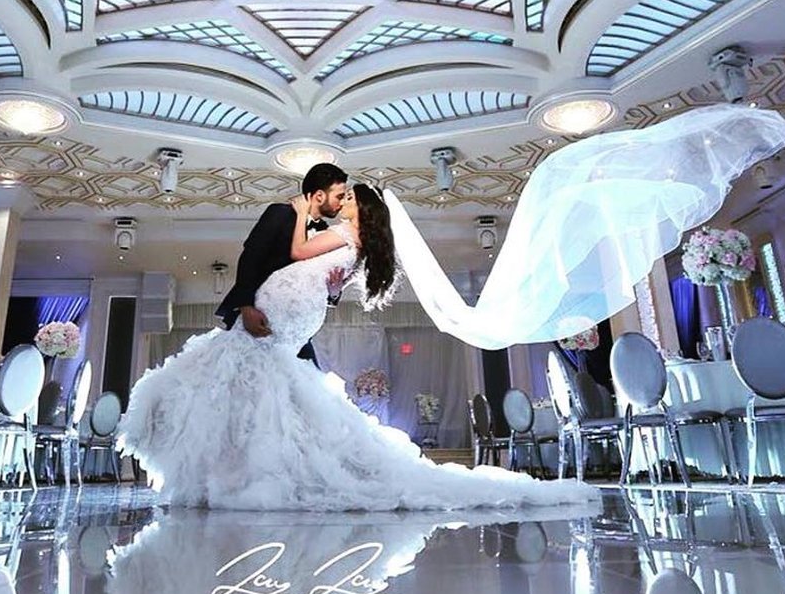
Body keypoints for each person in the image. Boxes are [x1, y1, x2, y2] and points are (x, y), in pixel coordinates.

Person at [118, 183, 596, 510]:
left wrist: (302, 210)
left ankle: (235, 472)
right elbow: (317, 272)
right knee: (260, 388)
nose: (338, 201)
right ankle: (239, 472)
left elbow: (291, 247)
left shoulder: (343, 232)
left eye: (346, 198)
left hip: (288, 307)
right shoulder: (358, 241)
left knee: (249, 384)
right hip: (295, 307)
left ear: (358, 208)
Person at [214, 162, 348, 366]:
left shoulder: (326, 232)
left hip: (294, 327)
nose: (342, 203)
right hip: (261, 316)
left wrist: (334, 292)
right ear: (319, 195)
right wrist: (246, 306)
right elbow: (251, 257)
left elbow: (318, 281)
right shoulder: (280, 213)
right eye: (339, 196)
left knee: (308, 387)